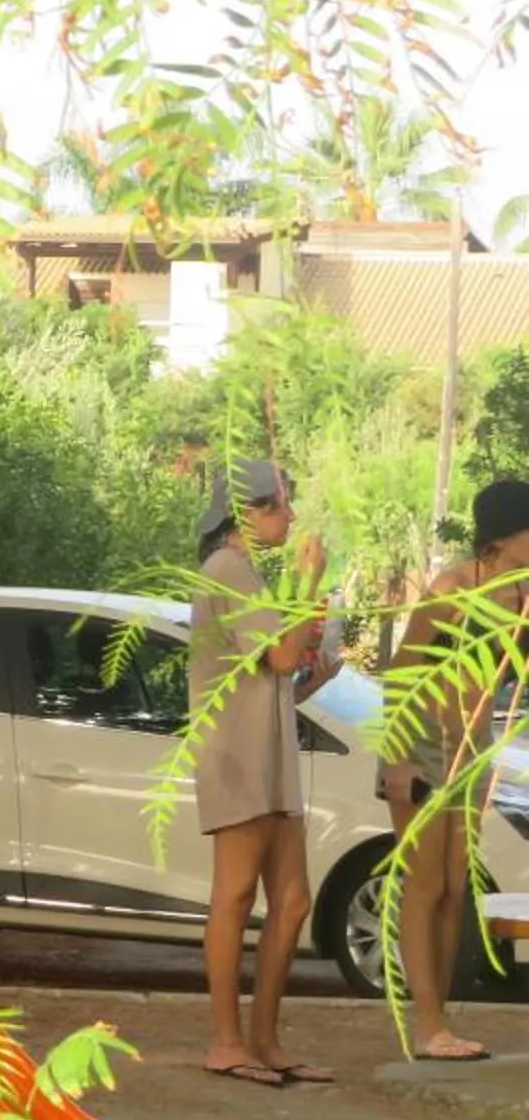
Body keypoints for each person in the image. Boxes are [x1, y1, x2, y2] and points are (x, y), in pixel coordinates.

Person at [188, 457, 336, 1087]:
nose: (290, 516)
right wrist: (307, 582)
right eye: (278, 505)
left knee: (293, 899)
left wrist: (314, 669)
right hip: (236, 755)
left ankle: (265, 1039)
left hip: (269, 753)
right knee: (237, 893)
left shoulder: (245, 573)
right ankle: (227, 1040)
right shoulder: (225, 570)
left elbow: (275, 676)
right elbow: (277, 654)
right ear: (243, 514)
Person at [378, 477, 529, 1062]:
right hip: (422, 742)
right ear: (505, 535)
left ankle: (439, 1019)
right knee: (426, 884)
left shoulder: (518, 595)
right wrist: (397, 758)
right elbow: (401, 671)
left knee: (456, 886)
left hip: (473, 746)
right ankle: (427, 1024)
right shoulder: (450, 591)